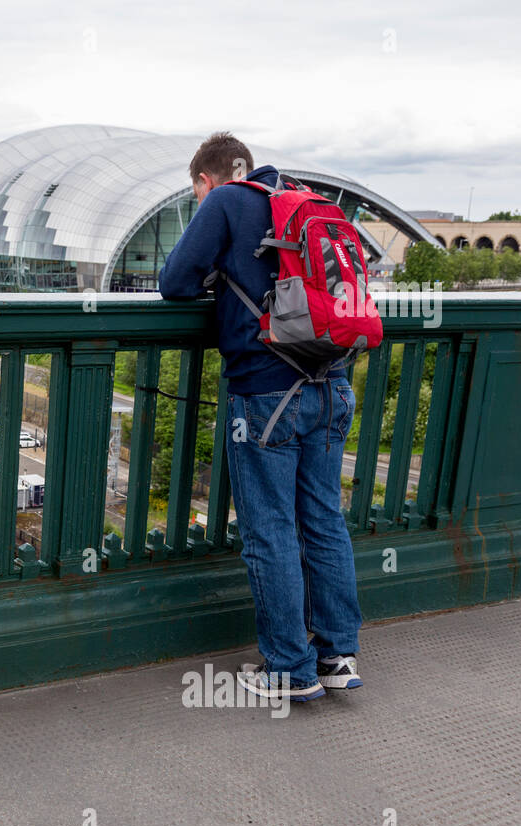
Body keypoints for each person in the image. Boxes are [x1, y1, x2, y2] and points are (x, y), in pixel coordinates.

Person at [158, 132, 363, 703]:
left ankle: (288, 672)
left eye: (195, 191)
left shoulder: (226, 201)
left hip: (266, 393)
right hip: (333, 384)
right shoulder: (304, 199)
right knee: (323, 520)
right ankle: (337, 655)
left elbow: (173, 282)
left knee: (269, 531)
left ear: (205, 180)